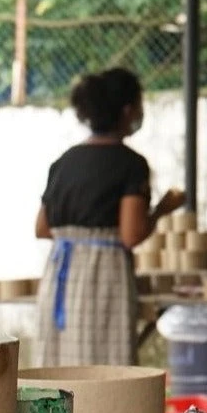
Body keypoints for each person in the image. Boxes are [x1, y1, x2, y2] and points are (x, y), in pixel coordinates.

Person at [35, 67, 185, 366]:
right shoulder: (131, 164)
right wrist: (161, 211)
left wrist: (77, 237)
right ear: (128, 110)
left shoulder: (63, 162)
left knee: (60, 370)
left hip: (59, 275)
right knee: (103, 369)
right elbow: (131, 234)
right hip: (102, 277)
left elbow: (42, 228)